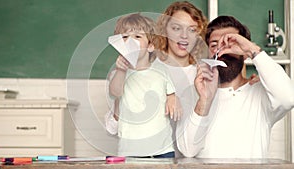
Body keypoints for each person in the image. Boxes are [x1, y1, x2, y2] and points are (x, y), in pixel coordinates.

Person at [177, 15, 294, 158]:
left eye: (230, 44)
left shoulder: (260, 94)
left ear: (244, 53)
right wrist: (205, 100)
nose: (222, 51)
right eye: (214, 45)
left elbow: (289, 98)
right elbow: (188, 150)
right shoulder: (194, 94)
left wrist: (252, 50)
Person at [105, 1, 209, 158]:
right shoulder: (126, 71)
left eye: (192, 30)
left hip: (170, 154)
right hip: (133, 152)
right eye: (176, 28)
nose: (184, 35)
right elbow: (112, 124)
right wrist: (121, 75)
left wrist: (172, 96)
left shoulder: (203, 75)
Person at [108, 13, 178, 158]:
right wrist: (121, 71)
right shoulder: (117, 73)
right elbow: (115, 92)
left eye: (137, 36)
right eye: (125, 37)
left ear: (151, 46)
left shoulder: (162, 70)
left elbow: (171, 92)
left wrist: (172, 98)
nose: (130, 41)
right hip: (130, 151)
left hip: (162, 150)